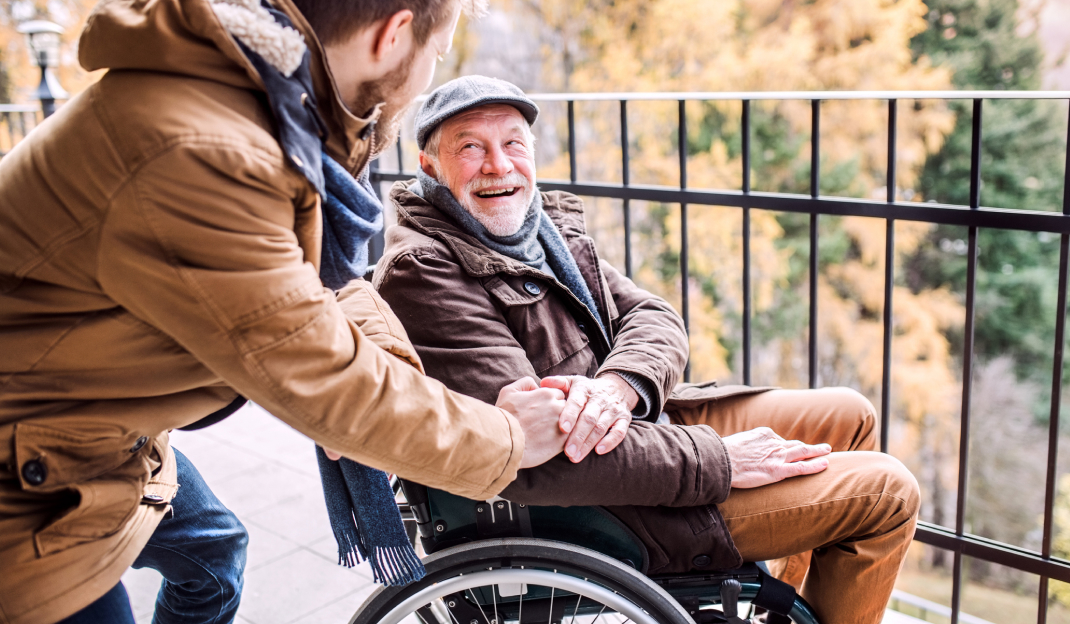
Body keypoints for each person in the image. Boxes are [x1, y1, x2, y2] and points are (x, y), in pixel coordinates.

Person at [0, 3, 571, 623]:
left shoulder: (266, 101)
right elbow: (324, 381)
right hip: (32, 469)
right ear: (394, 35)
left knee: (214, 558)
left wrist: (403, 373)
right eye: (436, 56)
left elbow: (325, 281)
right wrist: (508, 440)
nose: (428, 77)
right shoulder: (204, 153)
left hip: (97, 419)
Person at [373, 75, 922, 624]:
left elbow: (653, 315)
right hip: (610, 502)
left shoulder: (536, 230)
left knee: (848, 414)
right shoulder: (424, 270)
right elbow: (528, 461)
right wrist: (721, 460)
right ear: (430, 167)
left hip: (641, 430)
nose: (499, 164)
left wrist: (618, 388)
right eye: (471, 147)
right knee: (890, 494)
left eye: (513, 143)